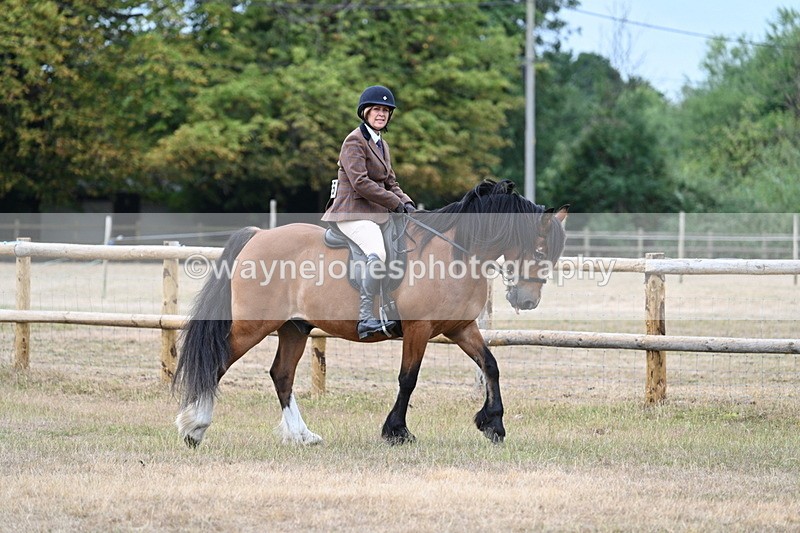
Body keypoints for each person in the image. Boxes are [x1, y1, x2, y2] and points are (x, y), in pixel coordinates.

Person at [322, 85, 416, 339]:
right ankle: (365, 317)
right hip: (351, 214)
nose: (381, 114)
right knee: (378, 252)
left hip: (375, 214)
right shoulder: (354, 141)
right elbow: (361, 183)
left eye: (386, 111)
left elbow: (391, 183)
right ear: (365, 112)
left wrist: (406, 203)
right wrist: (393, 203)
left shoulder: (382, 145)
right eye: (376, 109)